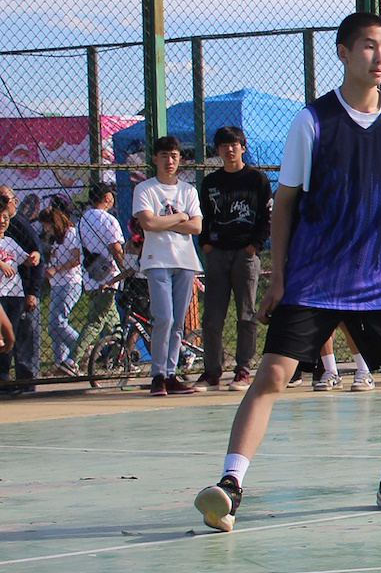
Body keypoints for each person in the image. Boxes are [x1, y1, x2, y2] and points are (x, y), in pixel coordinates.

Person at [193, 12, 381, 535]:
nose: (379, 56)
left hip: (380, 281)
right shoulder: (312, 121)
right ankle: (230, 485)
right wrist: (278, 278)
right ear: (343, 53)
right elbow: (283, 204)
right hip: (316, 277)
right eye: (368, 46)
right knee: (272, 375)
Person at [196, 123, 273, 389]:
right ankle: (212, 371)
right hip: (217, 254)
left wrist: (253, 246)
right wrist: (206, 244)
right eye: (224, 146)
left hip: (245, 255)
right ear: (217, 150)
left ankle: (243, 368)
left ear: (242, 147)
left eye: (234, 145)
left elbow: (267, 217)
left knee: (246, 313)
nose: (229, 150)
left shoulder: (257, 179)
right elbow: (204, 216)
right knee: (212, 317)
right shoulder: (211, 182)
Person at [131, 138, 202, 396]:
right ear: (154, 159)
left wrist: (168, 221)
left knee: (178, 322)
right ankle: (158, 375)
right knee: (164, 318)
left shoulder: (188, 191)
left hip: (185, 261)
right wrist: (180, 217)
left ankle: (171, 374)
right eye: (164, 156)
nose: (169, 161)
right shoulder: (145, 189)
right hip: (157, 260)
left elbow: (196, 226)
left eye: (174, 156)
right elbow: (148, 223)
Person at [69, 182, 127, 362]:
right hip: (109, 277)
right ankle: (72, 360)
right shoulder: (108, 220)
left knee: (113, 322)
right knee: (96, 321)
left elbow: (77, 251)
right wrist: (126, 270)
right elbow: (116, 249)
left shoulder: (81, 221)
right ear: (107, 198)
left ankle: (120, 358)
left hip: (90, 276)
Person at [34, 200, 84, 376]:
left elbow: (77, 259)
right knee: (54, 325)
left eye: (46, 226)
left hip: (69, 282)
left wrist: (56, 268)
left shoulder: (70, 233)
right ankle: (61, 362)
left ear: (54, 222)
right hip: (56, 283)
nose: (46, 229)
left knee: (57, 323)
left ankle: (82, 348)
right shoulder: (56, 239)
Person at [0, 186, 42, 392]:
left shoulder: (13, 236)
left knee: (16, 336)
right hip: (2, 295)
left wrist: (34, 257)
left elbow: (28, 258)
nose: (3, 220)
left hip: (16, 294)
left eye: (5, 217)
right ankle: (3, 378)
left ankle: (20, 383)